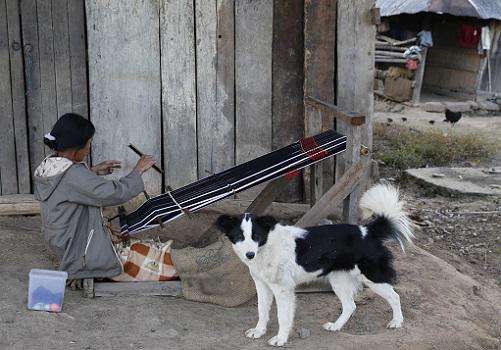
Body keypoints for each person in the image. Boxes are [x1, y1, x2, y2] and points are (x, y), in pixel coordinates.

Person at [33, 113, 156, 282]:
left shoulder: (51, 163)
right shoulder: (74, 176)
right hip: (76, 250)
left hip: (59, 240)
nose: (89, 147)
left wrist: (92, 172)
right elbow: (114, 193)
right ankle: (85, 269)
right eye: (88, 143)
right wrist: (138, 171)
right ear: (75, 148)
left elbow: (69, 185)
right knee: (149, 261)